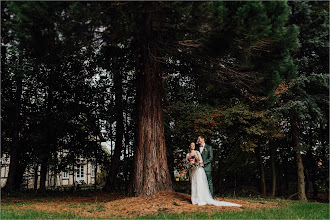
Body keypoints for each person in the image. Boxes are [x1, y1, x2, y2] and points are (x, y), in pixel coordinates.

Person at [186, 142, 241, 206]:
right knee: (193, 184)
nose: (193, 146)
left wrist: (195, 162)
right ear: (189, 146)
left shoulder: (197, 152)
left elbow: (201, 161)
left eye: (194, 145)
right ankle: (194, 199)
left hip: (198, 170)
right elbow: (187, 162)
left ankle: (200, 199)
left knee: (199, 183)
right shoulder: (188, 154)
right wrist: (190, 164)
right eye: (191, 145)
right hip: (192, 170)